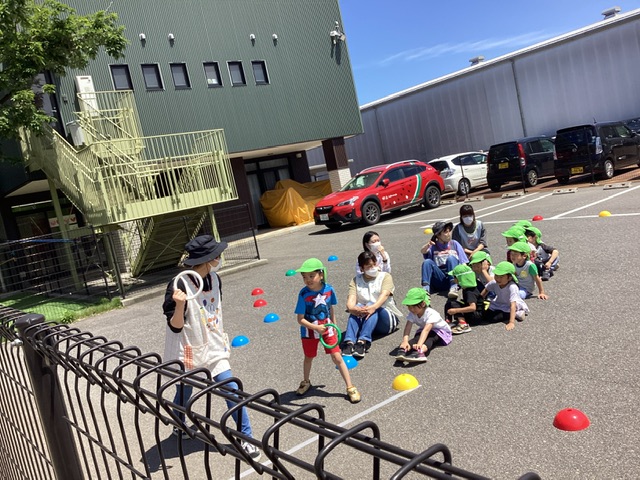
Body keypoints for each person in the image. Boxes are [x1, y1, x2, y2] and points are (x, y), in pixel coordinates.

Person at [162, 235, 261, 460]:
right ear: (209, 259)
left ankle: (246, 437)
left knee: (231, 389)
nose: (220, 258)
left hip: (215, 346)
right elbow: (175, 326)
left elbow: (212, 312)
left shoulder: (215, 279)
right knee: (185, 390)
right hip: (189, 348)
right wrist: (179, 304)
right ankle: (179, 422)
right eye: (217, 255)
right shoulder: (179, 284)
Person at [294, 258, 361, 403]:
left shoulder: (329, 290)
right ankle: (306, 381)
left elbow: (331, 309)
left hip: (327, 328)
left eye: (311, 276)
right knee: (309, 357)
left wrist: (335, 327)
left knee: (337, 357)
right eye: (304, 277)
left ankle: (350, 387)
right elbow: (300, 319)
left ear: (321, 275)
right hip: (309, 331)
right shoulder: (303, 294)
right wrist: (316, 328)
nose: (308, 280)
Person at [343, 251, 402, 358]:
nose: (373, 268)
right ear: (362, 268)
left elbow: (385, 295)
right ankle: (349, 342)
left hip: (386, 318)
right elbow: (350, 302)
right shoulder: (356, 280)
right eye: (369, 266)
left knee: (371, 304)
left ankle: (362, 342)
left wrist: (373, 307)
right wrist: (353, 309)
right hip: (367, 319)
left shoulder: (385, 276)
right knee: (356, 308)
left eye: (374, 264)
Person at [395, 288, 452, 363]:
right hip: (424, 329)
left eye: (413, 307)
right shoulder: (413, 313)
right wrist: (405, 341)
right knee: (417, 338)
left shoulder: (431, 313)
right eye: (409, 306)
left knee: (430, 339)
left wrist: (419, 344)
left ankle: (420, 351)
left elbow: (426, 330)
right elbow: (408, 327)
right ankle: (404, 348)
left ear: (423, 304)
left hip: (440, 331)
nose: (411, 309)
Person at [421, 221, 469, 298]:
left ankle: (453, 287)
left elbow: (464, 263)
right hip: (439, 279)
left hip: (455, 278)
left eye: (449, 231)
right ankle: (425, 290)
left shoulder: (454, 244)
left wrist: (466, 279)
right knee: (427, 262)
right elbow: (423, 251)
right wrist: (428, 245)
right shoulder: (433, 247)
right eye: (446, 232)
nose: (449, 233)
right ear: (438, 235)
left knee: (451, 258)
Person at [481, 261, 530, 331]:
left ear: (509, 278)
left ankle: (517, 313)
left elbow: (513, 305)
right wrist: (479, 301)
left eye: (501, 277)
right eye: (496, 275)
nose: (498, 279)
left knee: (493, 319)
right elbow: (486, 290)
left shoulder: (512, 287)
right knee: (484, 315)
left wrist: (511, 322)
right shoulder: (494, 283)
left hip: (509, 306)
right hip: (498, 303)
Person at [445, 264, 483, 334]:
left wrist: (456, 310)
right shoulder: (466, 287)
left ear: (459, 278)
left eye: (454, 277)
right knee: (450, 303)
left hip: (476, 317)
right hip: (473, 314)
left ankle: (463, 325)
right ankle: (448, 323)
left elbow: (473, 307)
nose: (454, 279)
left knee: (454, 304)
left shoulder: (470, 291)